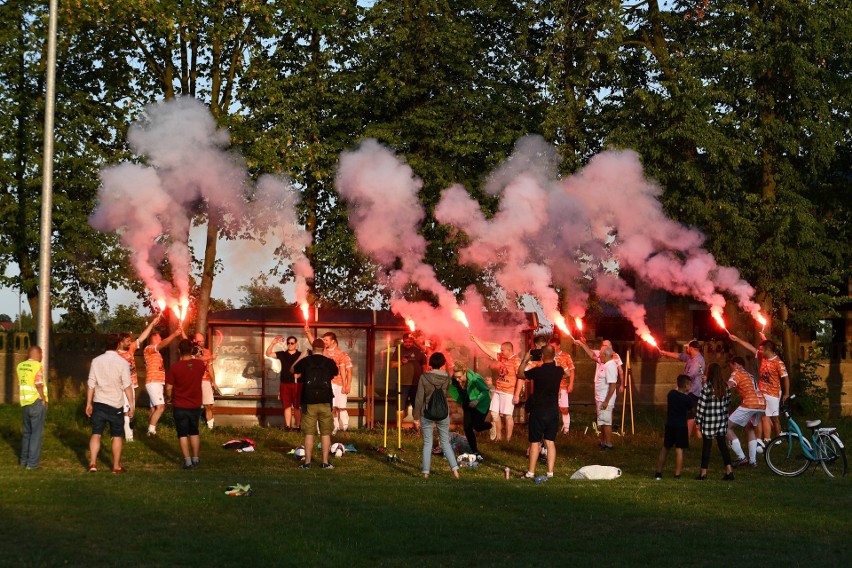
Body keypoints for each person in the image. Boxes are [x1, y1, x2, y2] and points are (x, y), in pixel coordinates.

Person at [86, 335, 135, 473]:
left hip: (99, 402)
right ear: (118, 344)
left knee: (96, 433)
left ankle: (93, 464)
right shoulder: (122, 363)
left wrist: (88, 403)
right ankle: (116, 466)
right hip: (116, 404)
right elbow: (127, 386)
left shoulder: (96, 361)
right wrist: (131, 405)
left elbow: (91, 384)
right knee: (117, 435)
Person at [729, 333, 789, 444]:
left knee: (775, 418)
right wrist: (737, 339)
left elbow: (785, 378)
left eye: (762, 349)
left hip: (773, 394)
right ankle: (763, 439)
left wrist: (786, 393)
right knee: (762, 416)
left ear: (767, 350)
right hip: (761, 391)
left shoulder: (778, 363)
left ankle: (778, 439)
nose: (759, 351)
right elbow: (751, 348)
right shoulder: (763, 357)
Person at [515, 345, 563, 479]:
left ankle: (531, 472)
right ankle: (550, 472)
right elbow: (568, 373)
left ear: (541, 356)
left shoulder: (537, 371)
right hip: (553, 411)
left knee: (535, 442)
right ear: (553, 356)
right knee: (550, 442)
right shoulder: (559, 371)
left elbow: (519, 374)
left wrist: (525, 360)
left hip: (538, 411)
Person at [293, 338, 339, 469]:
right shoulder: (329, 362)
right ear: (324, 349)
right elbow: (335, 373)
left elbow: (293, 370)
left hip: (309, 402)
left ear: (312, 349)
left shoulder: (306, 361)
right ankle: (325, 462)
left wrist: (301, 356)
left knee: (309, 433)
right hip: (325, 401)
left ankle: (307, 463)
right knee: (325, 433)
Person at [413, 352, 459, 479]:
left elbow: (419, 398)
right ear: (443, 363)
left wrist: (415, 416)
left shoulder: (424, 377)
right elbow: (447, 394)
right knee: (445, 442)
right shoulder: (447, 377)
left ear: (430, 363)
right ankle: (455, 471)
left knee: (428, 443)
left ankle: (425, 473)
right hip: (443, 413)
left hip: (427, 413)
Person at [116, 316, 160, 441]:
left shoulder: (131, 348)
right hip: (122, 386)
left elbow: (142, 337)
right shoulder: (116, 354)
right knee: (125, 410)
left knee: (130, 409)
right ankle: (128, 436)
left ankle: (124, 432)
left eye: (130, 340)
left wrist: (151, 324)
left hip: (133, 384)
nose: (130, 343)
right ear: (120, 342)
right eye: (127, 341)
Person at [165, 339, 207, 469]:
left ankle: (187, 460)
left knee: (182, 433)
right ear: (192, 350)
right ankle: (196, 458)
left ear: (179, 351)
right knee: (194, 431)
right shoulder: (200, 365)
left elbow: (169, 388)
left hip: (180, 404)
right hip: (195, 403)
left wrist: (168, 398)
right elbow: (201, 360)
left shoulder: (175, 367)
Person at [470, 333, 519, 442]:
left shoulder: (516, 361)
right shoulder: (502, 357)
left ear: (509, 350)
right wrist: (476, 340)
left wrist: (516, 393)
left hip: (508, 392)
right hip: (498, 390)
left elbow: (520, 378)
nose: (501, 352)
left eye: (503, 350)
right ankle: (499, 436)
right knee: (494, 413)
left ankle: (508, 439)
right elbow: (487, 351)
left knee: (507, 415)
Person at [306, 327, 353, 434]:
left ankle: (345, 427)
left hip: (340, 384)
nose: (324, 342)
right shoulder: (323, 352)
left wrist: (348, 385)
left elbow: (349, 372)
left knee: (342, 407)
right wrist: (308, 332)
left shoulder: (342, 354)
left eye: (326, 340)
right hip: (327, 384)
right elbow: (314, 343)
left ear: (333, 341)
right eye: (323, 340)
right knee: (332, 407)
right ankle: (335, 427)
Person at [658, 340, 706, 438]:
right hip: (689, 390)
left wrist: (679, 388)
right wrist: (665, 352)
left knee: (690, 415)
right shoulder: (691, 357)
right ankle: (695, 433)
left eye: (687, 347)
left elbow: (690, 376)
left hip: (693, 392)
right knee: (690, 414)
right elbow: (680, 356)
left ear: (692, 349)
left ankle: (686, 437)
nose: (686, 349)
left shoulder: (697, 362)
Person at [695, 363, 734, 481]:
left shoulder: (707, 387)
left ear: (710, 373)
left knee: (707, 447)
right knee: (723, 446)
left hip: (708, 421)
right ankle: (729, 471)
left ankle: (703, 473)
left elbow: (701, 406)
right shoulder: (725, 387)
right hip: (721, 421)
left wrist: (698, 422)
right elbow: (728, 404)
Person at [143, 324, 183, 437]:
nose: (161, 339)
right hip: (153, 381)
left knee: (154, 408)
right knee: (161, 407)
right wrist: (174, 334)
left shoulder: (157, 353)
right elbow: (162, 344)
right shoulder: (149, 348)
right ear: (154, 339)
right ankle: (151, 431)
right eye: (159, 337)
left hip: (156, 382)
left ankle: (149, 430)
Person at [726, 356, 766, 467]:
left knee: (726, 427)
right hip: (761, 403)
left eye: (731, 367)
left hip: (750, 403)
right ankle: (753, 461)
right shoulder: (750, 375)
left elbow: (728, 386)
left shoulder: (736, 373)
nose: (731, 370)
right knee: (750, 428)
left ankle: (741, 457)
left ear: (736, 365)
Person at [449, 361, 492, 461]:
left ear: (465, 372)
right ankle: (475, 451)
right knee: (467, 427)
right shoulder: (455, 378)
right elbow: (454, 387)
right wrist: (461, 399)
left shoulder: (476, 378)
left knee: (477, 426)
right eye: (456, 377)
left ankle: (491, 425)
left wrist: (477, 400)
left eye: (459, 377)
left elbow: (486, 390)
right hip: (468, 402)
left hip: (481, 403)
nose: (457, 379)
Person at [654, 375, 693, 480]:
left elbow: (676, 393)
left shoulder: (671, 394)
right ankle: (677, 474)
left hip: (670, 424)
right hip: (681, 426)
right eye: (689, 384)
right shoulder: (687, 399)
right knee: (679, 449)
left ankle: (658, 472)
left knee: (665, 447)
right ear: (685, 385)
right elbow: (690, 408)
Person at [266, 335, 304, 430]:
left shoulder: (300, 355)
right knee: (286, 405)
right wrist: (273, 343)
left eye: (292, 343)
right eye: (288, 343)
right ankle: (287, 426)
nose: (290, 345)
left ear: (296, 344)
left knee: (296, 406)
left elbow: (306, 368)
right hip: (285, 383)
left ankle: (298, 426)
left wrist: (300, 375)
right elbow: (268, 354)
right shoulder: (282, 354)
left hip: (297, 384)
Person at [18, 345, 47, 469]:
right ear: (38, 354)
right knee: (36, 434)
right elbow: (38, 384)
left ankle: (23, 461)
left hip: (25, 403)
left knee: (27, 433)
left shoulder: (20, 366)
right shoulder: (37, 366)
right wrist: (43, 399)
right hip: (36, 401)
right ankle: (32, 464)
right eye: (41, 354)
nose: (42, 357)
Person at [390, 333, 427, 424]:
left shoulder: (418, 351)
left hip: (417, 384)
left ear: (413, 342)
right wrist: (401, 363)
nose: (408, 344)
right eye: (406, 342)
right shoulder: (398, 350)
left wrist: (425, 379)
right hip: (402, 384)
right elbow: (392, 365)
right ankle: (399, 428)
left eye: (410, 342)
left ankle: (416, 427)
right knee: (400, 406)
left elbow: (424, 366)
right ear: (403, 341)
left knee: (417, 406)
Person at [192, 332, 221, 430]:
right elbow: (198, 358)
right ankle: (193, 426)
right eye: (200, 341)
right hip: (194, 380)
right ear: (195, 340)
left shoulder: (207, 351)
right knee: (194, 405)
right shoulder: (192, 350)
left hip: (205, 380)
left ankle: (211, 428)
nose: (202, 343)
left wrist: (214, 382)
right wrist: (210, 357)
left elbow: (210, 367)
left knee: (209, 405)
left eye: (203, 341)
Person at [595, 346, 619, 450]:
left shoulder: (611, 366)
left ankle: (608, 444)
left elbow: (613, 385)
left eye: (601, 354)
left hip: (606, 399)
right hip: (601, 398)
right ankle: (603, 442)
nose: (599, 356)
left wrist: (606, 400)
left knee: (606, 422)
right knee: (602, 421)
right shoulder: (605, 364)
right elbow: (592, 356)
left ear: (605, 355)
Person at [550, 336, 575, 434]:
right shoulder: (548, 356)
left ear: (558, 346)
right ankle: (552, 428)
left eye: (553, 346)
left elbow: (571, 371)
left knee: (564, 408)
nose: (552, 349)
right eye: (550, 347)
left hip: (562, 386)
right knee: (552, 408)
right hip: (550, 386)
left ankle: (566, 429)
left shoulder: (566, 356)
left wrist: (571, 384)